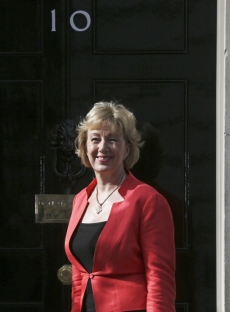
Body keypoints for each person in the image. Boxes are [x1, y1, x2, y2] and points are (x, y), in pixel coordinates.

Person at [64, 102, 176, 312]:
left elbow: (159, 276)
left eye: (112, 140)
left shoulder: (148, 200)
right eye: (95, 139)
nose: (102, 147)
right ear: (85, 146)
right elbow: (79, 275)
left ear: (126, 149)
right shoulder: (80, 200)